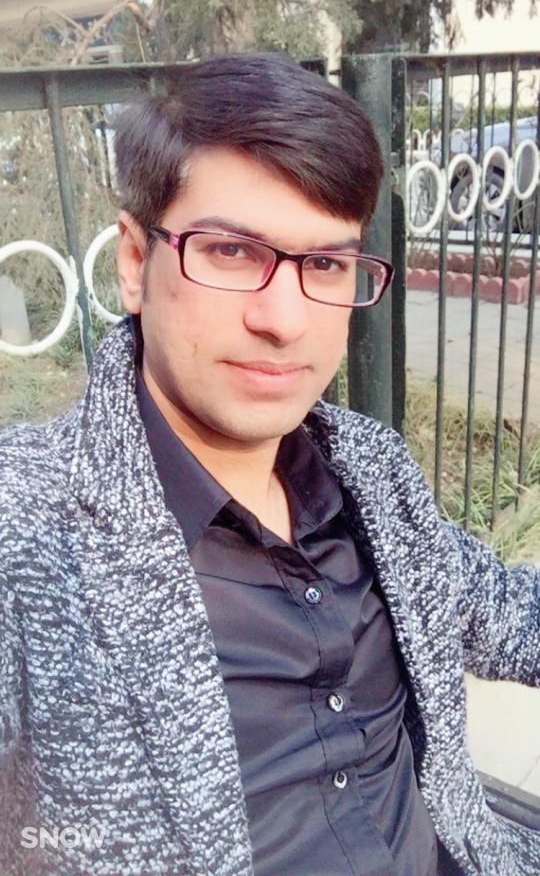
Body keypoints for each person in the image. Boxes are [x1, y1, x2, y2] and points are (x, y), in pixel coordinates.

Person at [0, 53, 538, 876]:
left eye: (324, 264)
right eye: (230, 251)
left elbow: (504, 612)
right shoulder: (29, 524)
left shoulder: (372, 472)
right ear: (136, 263)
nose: (283, 319)